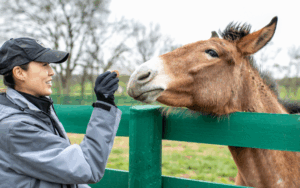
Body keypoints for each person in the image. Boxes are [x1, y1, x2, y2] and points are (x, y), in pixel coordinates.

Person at [0, 37, 121, 188]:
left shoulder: (36, 109)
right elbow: (86, 166)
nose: (51, 72)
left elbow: (63, 175)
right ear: (19, 73)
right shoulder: (15, 128)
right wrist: (104, 105)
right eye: (44, 65)